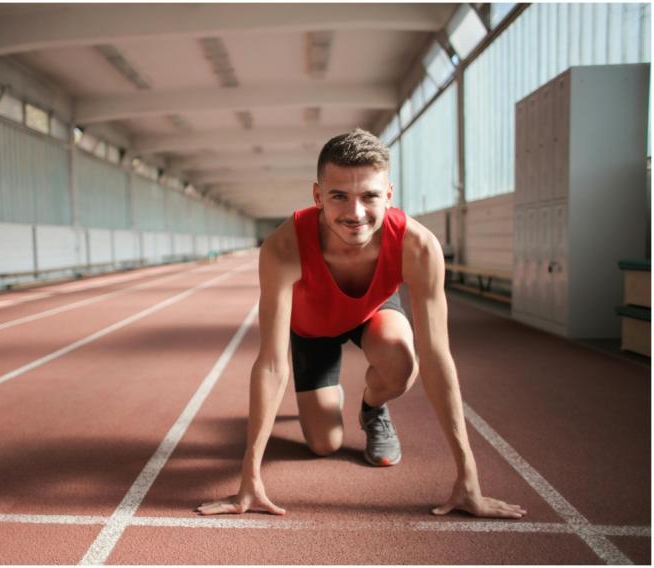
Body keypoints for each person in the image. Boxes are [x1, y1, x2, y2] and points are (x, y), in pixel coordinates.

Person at [196, 129, 526, 520]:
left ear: (388, 193)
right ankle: (327, 398)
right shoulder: (283, 248)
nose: (355, 213)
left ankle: (372, 408)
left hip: (373, 312)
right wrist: (249, 477)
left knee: (404, 361)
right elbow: (270, 363)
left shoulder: (417, 246)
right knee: (323, 444)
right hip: (313, 328)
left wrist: (468, 476)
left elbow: (438, 358)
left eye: (369, 196)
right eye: (339, 196)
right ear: (318, 196)